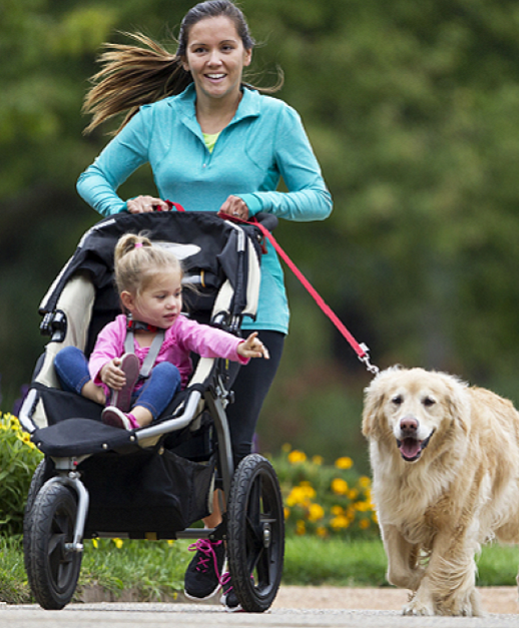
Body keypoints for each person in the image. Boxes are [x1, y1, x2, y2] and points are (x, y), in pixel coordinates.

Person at [75, 0, 332, 607]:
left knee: (232, 435)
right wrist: (125, 207)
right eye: (200, 50)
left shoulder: (276, 119)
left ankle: (224, 540)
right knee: (185, 427)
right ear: (186, 58)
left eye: (225, 48)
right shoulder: (157, 119)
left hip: (254, 303)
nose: (214, 60)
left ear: (246, 54)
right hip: (171, 303)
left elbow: (317, 198)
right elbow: (93, 178)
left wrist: (262, 198)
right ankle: (205, 519)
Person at [52, 233, 269, 431]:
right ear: (130, 300)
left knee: (168, 371)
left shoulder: (180, 327)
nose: (173, 304)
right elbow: (101, 353)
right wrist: (105, 370)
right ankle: (102, 397)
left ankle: (136, 419)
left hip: (157, 397)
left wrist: (238, 346)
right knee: (65, 356)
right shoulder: (115, 329)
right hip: (114, 390)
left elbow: (207, 337)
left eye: (177, 294)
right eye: (161, 297)